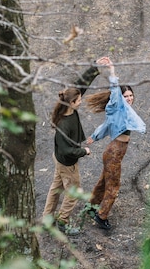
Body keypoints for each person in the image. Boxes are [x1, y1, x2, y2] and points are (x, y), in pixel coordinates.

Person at [42, 59, 107, 235]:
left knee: (56, 188)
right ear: (72, 103)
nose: (81, 101)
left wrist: (94, 67)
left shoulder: (67, 107)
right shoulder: (64, 124)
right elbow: (66, 150)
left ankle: (47, 218)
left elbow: (80, 86)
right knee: (74, 191)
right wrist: (83, 151)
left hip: (60, 160)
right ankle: (62, 221)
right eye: (78, 100)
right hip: (67, 161)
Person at [85, 59, 146, 230]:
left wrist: (94, 136)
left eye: (131, 95)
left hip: (113, 151)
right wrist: (112, 70)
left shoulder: (123, 111)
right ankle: (101, 216)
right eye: (126, 96)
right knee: (113, 186)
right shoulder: (118, 104)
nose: (129, 98)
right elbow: (115, 91)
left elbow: (106, 125)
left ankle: (91, 206)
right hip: (114, 152)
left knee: (104, 181)